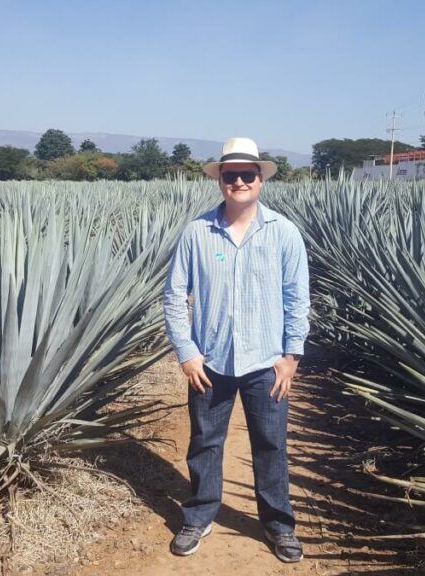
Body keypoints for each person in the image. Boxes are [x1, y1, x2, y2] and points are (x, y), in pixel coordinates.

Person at [162, 137, 310, 563]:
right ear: (220, 181)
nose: (240, 181)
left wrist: (291, 356)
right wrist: (187, 353)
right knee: (205, 442)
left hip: (267, 363)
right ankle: (199, 515)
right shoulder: (196, 232)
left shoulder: (284, 233)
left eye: (249, 174)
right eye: (231, 175)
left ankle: (279, 525)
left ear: (261, 179)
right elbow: (174, 296)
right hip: (210, 362)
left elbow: (297, 299)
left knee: (271, 444)